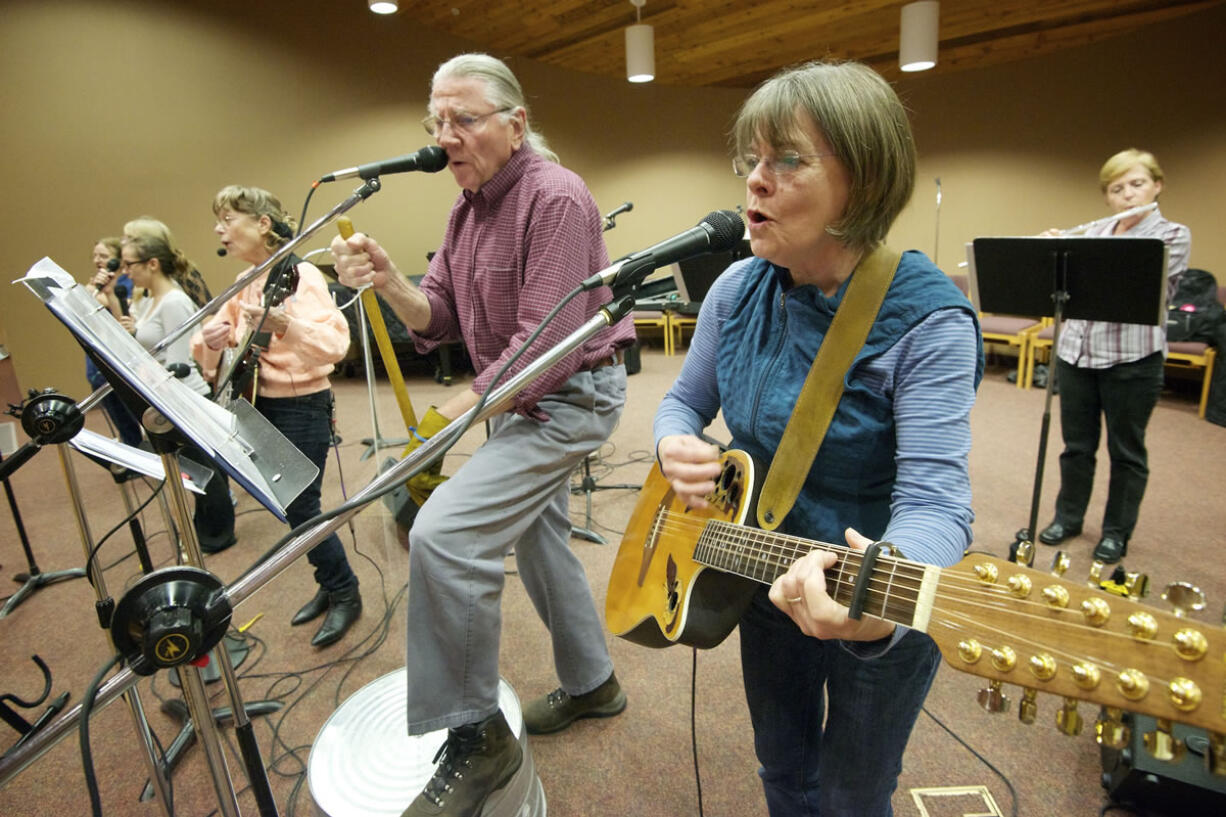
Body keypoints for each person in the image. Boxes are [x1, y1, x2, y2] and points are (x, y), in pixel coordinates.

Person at [653, 61, 982, 816]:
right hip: (763, 573)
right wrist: (674, 441)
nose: (755, 184)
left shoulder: (927, 320)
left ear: (861, 182)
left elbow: (939, 505)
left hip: (876, 594)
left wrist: (879, 585)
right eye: (751, 161)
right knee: (783, 770)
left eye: (787, 160)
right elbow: (679, 402)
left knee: (852, 794)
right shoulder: (735, 291)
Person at [331, 53, 635, 817]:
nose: (446, 137)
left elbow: (547, 343)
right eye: (437, 121)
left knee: (445, 535)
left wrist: (453, 416)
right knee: (538, 538)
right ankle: (594, 682)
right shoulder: (465, 209)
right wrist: (387, 279)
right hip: (517, 397)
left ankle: (476, 735)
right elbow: (436, 320)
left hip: (570, 396)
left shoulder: (556, 197)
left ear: (515, 123)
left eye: (463, 119)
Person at [192, 185, 362, 647]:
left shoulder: (300, 274)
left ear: (262, 224)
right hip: (261, 403)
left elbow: (335, 346)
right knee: (291, 507)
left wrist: (286, 325)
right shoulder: (250, 277)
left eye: (228, 219)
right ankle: (330, 585)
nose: (218, 229)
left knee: (302, 508)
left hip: (302, 405)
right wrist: (216, 338)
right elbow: (232, 343)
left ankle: (345, 590)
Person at [1037, 149, 1191, 564]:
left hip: (1132, 360)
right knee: (1076, 447)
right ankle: (1068, 518)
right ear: (1108, 196)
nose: (1127, 195)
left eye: (1136, 184)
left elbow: (1127, 279)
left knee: (1126, 451)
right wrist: (1054, 244)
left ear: (1156, 185)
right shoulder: (1097, 228)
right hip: (1076, 355)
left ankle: (1115, 532)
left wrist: (1081, 250)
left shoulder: (1173, 234)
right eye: (1117, 188)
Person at [115, 231, 236, 551]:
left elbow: (179, 364)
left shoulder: (175, 302)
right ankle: (204, 527)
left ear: (153, 264)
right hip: (164, 395)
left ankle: (218, 536)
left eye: (130, 264)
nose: (125, 271)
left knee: (207, 472)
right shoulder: (145, 299)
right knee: (195, 471)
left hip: (186, 396)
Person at [84, 236, 143, 447]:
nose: (98, 260)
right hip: (98, 348)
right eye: (95, 256)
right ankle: (130, 443)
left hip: (119, 351)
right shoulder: (98, 283)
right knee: (112, 405)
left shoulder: (127, 282)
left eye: (104, 256)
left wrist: (97, 293)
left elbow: (119, 313)